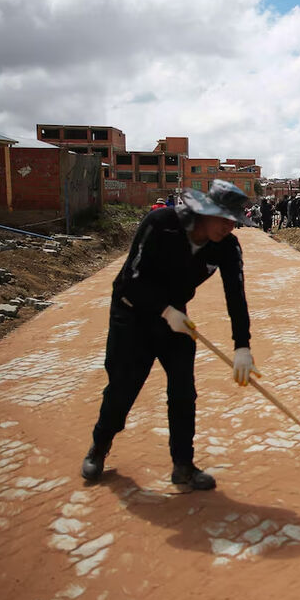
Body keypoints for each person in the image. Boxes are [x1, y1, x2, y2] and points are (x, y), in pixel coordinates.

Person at [81, 179, 259, 490]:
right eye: (224, 219)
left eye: (235, 221)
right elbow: (130, 279)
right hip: (131, 313)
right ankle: (99, 446)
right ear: (204, 211)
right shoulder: (161, 224)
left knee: (183, 393)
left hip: (175, 320)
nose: (229, 227)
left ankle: (183, 465)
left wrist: (242, 346)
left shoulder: (226, 247)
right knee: (123, 387)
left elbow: (236, 295)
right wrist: (164, 310)